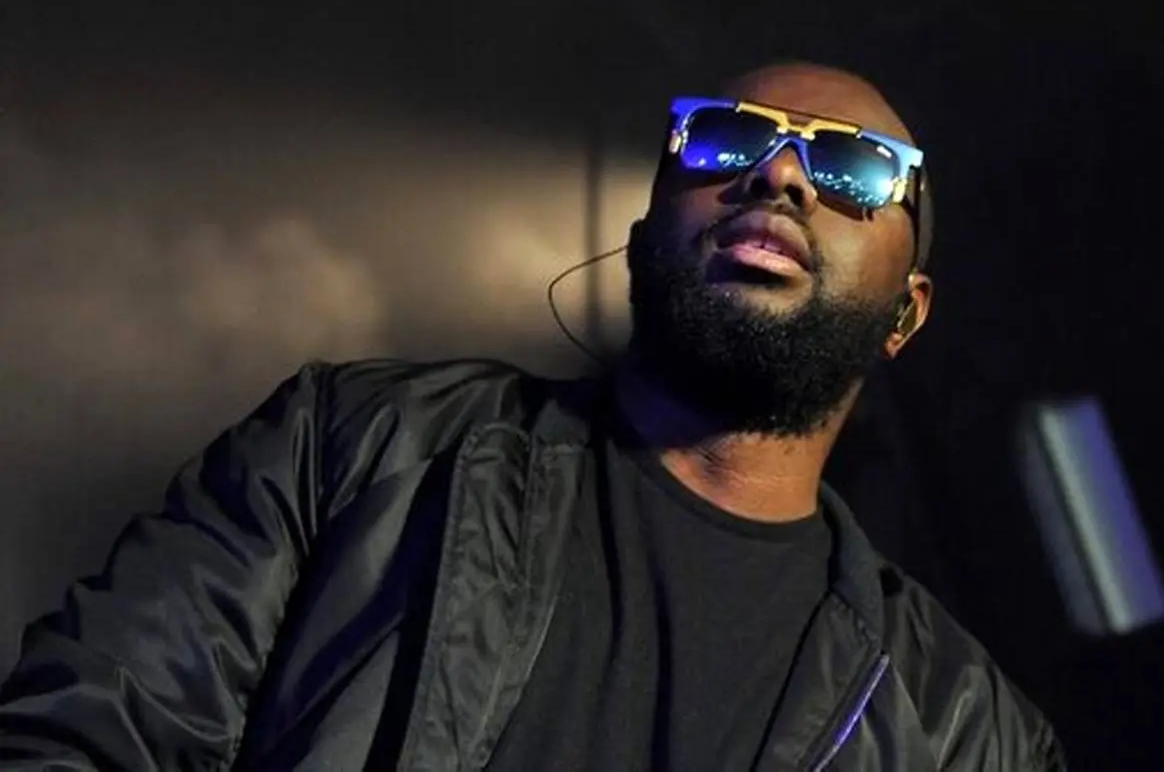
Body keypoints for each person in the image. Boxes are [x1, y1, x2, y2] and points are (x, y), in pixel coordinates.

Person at [0, 61, 1066, 770]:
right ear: (645, 236)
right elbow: (87, 730)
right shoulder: (356, 446)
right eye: (725, 139)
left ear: (904, 314)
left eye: (852, 167)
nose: (778, 174)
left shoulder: (965, 733)